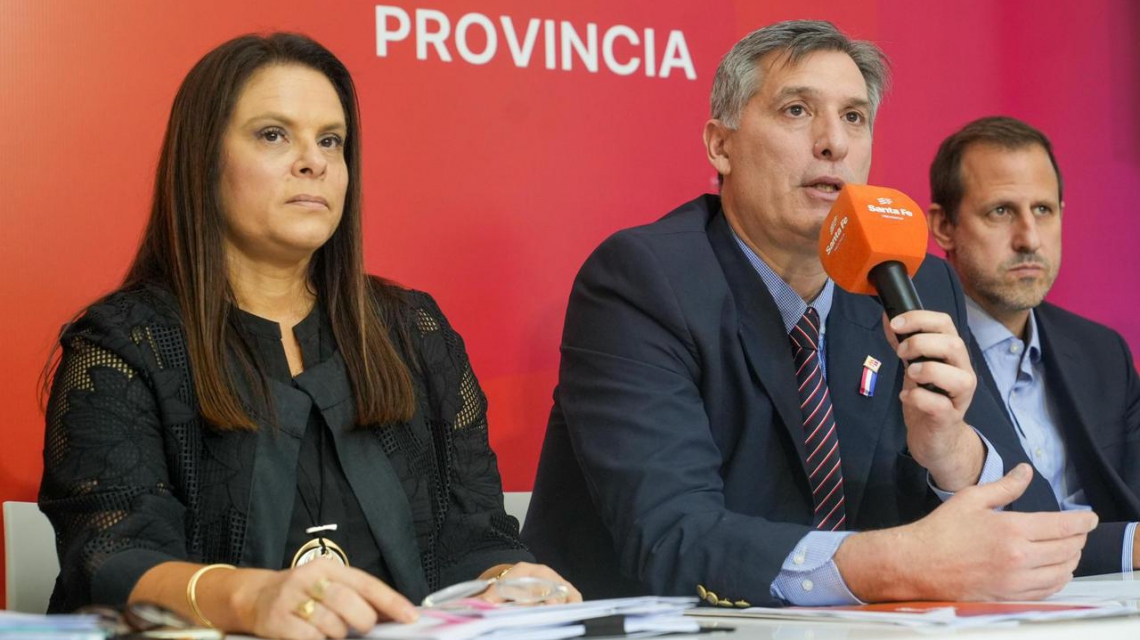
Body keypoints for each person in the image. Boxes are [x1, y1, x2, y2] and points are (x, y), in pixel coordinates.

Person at [522, 20, 1098, 608]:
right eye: (797, 110)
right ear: (721, 146)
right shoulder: (644, 280)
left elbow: (1038, 528)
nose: (834, 144)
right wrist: (899, 564)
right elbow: (673, 536)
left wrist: (951, 451)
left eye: (854, 117)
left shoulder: (912, 281)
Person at [38, 32, 578, 639]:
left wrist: (510, 582)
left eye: (330, 141)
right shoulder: (121, 344)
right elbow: (111, 556)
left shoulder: (414, 331)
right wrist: (251, 598)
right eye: (273, 135)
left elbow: (475, 535)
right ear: (203, 160)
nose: (313, 161)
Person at [928, 115, 1140, 576]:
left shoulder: (1104, 353)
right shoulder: (908, 349)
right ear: (944, 226)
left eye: (1043, 210)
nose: (1028, 239)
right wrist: (1126, 546)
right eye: (1001, 212)